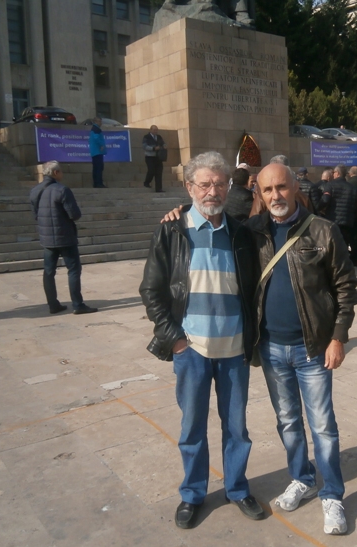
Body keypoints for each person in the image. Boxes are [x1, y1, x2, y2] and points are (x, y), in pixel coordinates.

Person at [140, 151, 263, 529]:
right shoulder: (171, 231)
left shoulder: (241, 234)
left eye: (220, 184)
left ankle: (237, 489)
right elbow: (151, 290)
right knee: (192, 428)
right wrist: (174, 338)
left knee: (237, 428)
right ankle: (192, 493)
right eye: (205, 184)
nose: (213, 191)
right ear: (189, 187)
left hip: (234, 349)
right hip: (191, 349)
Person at [248, 162, 357, 535]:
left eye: (281, 187)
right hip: (271, 349)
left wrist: (338, 337)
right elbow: (212, 221)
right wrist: (180, 212)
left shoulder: (323, 230)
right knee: (288, 422)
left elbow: (345, 287)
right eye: (267, 190)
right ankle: (302, 478)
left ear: (296, 187)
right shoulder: (254, 232)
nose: (275, 195)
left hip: (313, 349)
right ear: (260, 194)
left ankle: (332, 495)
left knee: (323, 425)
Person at [30, 161, 98, 315]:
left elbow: (36, 214)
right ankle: (78, 304)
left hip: (47, 238)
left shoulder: (35, 190)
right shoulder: (62, 190)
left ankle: (53, 304)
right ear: (55, 173)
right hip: (65, 236)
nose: (62, 173)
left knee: (49, 271)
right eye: (60, 171)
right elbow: (74, 214)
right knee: (73, 270)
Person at [319, 165, 357, 266]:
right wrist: (354, 214)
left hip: (332, 219)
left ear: (337, 173)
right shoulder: (351, 187)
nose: (333, 174)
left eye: (334, 172)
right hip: (347, 220)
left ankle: (333, 264)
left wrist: (320, 210)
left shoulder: (330, 185)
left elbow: (325, 201)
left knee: (331, 243)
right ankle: (343, 264)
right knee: (344, 243)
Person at [143, 125, 166, 192]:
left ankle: (159, 188)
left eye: (156, 130)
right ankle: (147, 182)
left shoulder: (159, 137)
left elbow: (163, 143)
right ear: (150, 130)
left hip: (158, 157)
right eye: (154, 130)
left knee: (159, 173)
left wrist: (164, 146)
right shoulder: (146, 137)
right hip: (149, 157)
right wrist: (153, 148)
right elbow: (144, 146)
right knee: (151, 170)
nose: (155, 131)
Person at [89, 116, 106, 188]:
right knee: (99, 167)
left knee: (96, 168)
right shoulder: (96, 129)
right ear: (96, 122)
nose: (101, 123)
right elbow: (96, 138)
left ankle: (96, 183)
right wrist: (101, 145)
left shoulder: (93, 129)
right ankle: (99, 183)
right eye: (99, 121)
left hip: (94, 152)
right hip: (98, 151)